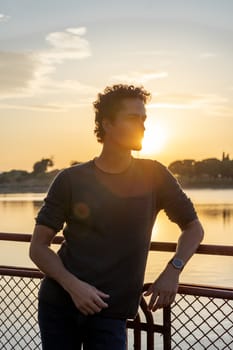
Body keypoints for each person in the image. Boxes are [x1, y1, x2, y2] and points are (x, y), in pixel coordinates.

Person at [29, 84, 204, 350]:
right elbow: (38, 248)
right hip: (60, 305)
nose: (143, 125)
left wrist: (173, 271)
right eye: (133, 118)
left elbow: (193, 228)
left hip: (111, 313)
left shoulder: (154, 175)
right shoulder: (70, 179)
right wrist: (74, 286)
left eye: (144, 119)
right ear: (107, 124)